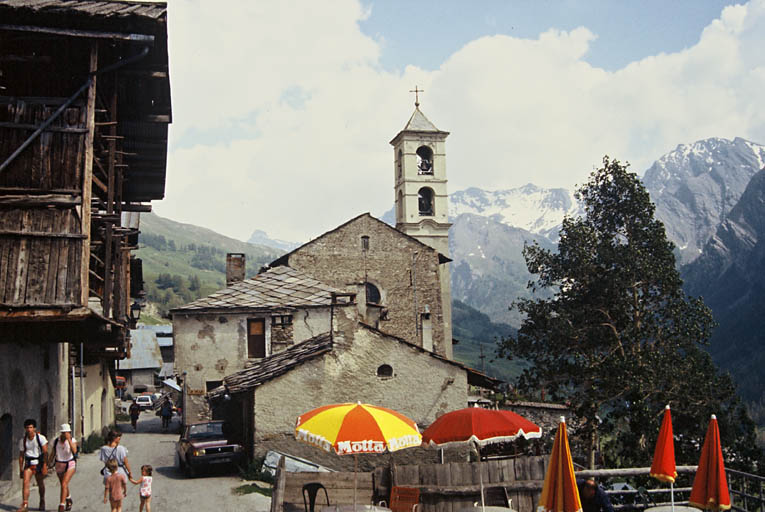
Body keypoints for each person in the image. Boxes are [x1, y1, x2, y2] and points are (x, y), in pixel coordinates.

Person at [17, 418, 48, 512]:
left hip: (39, 462)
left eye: (31, 427)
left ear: (34, 428)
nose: (29, 429)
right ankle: (25, 504)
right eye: (27, 427)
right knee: (25, 483)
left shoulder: (40, 438)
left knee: (40, 483)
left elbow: (45, 452)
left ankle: (42, 500)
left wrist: (45, 466)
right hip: (29, 463)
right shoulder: (23, 440)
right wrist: (21, 469)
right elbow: (21, 455)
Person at [49, 424, 77, 512]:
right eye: (64, 433)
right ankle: (68, 498)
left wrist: (69, 440)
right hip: (59, 463)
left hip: (70, 463)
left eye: (67, 433)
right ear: (61, 433)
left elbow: (74, 451)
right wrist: (48, 463)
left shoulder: (72, 440)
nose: (66, 435)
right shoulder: (56, 441)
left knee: (64, 483)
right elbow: (53, 453)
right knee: (63, 484)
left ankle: (61, 505)